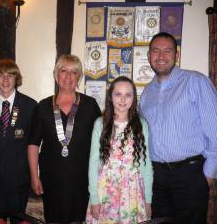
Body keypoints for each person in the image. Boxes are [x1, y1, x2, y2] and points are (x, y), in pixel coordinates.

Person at [140, 32, 217, 224]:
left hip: (190, 175)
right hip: (157, 178)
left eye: (168, 51)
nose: (161, 56)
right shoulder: (146, 93)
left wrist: (208, 174)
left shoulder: (195, 82)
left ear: (177, 55)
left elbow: (215, 131)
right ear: (149, 56)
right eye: (155, 51)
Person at [28, 54, 101, 224]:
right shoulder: (43, 106)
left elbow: (101, 142)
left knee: (78, 220)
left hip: (82, 178)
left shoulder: (90, 105)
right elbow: (33, 144)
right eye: (63, 71)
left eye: (74, 72)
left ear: (79, 77)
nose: (68, 76)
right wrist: (34, 176)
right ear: (56, 75)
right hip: (51, 179)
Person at [86, 76, 153, 224]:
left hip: (132, 193)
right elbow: (93, 163)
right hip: (105, 191)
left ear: (134, 98)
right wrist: (94, 198)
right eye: (118, 94)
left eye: (128, 95)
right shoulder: (100, 123)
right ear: (110, 96)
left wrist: (148, 199)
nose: (123, 100)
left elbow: (146, 164)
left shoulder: (141, 125)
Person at [0, 59, 37, 222]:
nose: (5, 80)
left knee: (18, 220)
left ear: (16, 79)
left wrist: (34, 175)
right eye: (1, 75)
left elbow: (34, 144)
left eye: (10, 75)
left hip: (19, 177)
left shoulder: (30, 106)